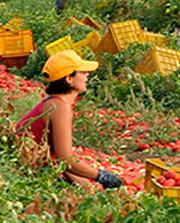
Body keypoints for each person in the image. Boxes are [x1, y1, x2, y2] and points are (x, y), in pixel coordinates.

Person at [15, 51, 123, 189]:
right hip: (29, 169)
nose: (87, 75)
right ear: (69, 79)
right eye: (82, 72)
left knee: (89, 189)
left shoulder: (53, 103)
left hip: (32, 164)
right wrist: (101, 175)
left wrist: (86, 184)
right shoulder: (60, 107)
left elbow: (59, 159)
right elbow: (65, 160)